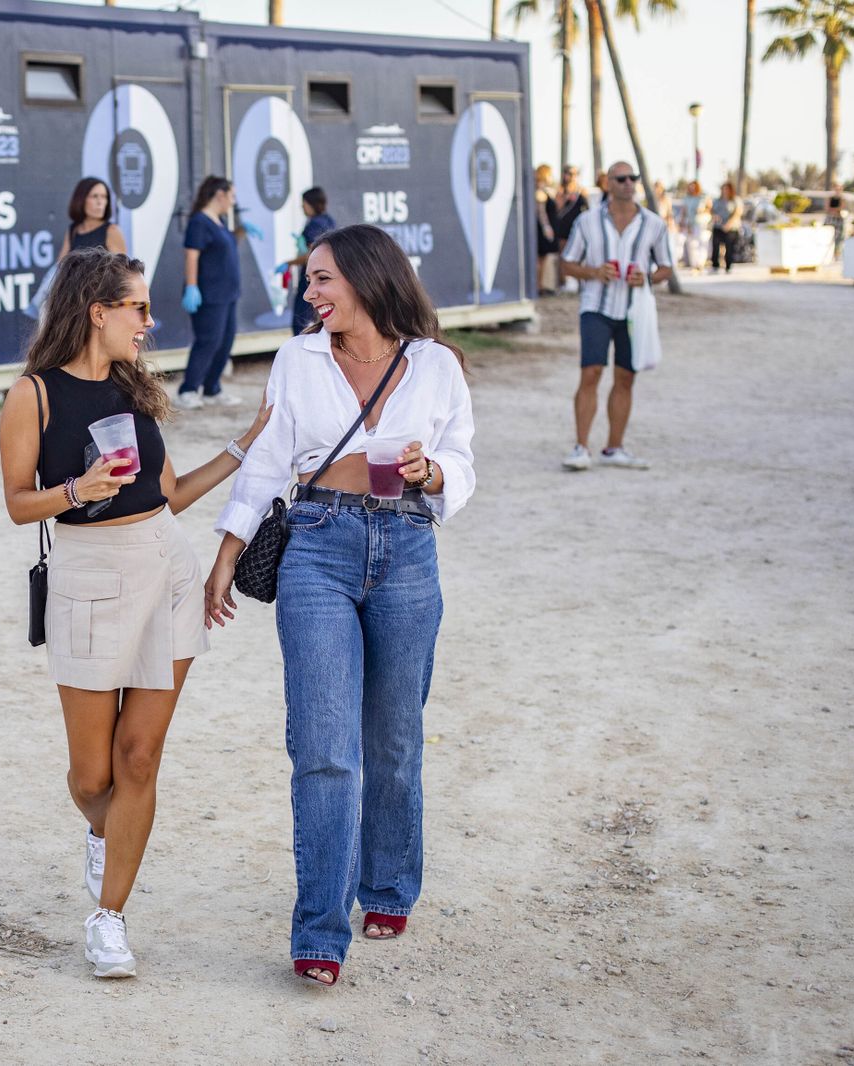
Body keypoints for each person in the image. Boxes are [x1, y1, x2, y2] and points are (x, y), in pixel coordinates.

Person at [203, 224, 475, 989]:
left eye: (323, 280)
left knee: (393, 738)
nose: (311, 294)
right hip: (316, 545)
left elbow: (463, 460)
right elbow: (265, 463)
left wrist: (430, 472)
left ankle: (387, 884)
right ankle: (320, 927)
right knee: (325, 745)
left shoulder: (435, 366)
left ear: (366, 278)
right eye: (310, 282)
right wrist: (227, 553)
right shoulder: (297, 359)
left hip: (407, 548)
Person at [0, 248, 271, 979]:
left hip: (165, 566)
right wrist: (78, 489)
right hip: (87, 574)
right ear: (99, 310)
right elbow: (18, 502)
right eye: (139, 309)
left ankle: (109, 919)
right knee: (92, 778)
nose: (150, 322)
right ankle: (104, 831)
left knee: (139, 757)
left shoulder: (134, 387)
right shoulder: (34, 395)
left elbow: (170, 493)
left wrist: (247, 444)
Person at [558, 160, 674, 472]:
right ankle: (581, 447)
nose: (628, 183)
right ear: (607, 183)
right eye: (620, 178)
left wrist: (647, 276)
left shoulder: (653, 224)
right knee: (591, 373)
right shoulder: (587, 222)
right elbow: (567, 264)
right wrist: (594, 272)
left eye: (632, 178)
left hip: (634, 311)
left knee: (626, 377)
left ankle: (614, 448)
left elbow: (666, 267)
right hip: (596, 306)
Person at [179, 176, 257, 409]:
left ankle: (212, 388)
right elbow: (191, 255)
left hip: (228, 294)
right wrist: (192, 287)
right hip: (209, 294)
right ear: (219, 194)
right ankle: (188, 390)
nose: (233, 201)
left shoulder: (219, 220)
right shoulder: (199, 222)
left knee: (225, 342)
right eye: (231, 196)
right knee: (208, 341)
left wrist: (242, 231)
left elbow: (226, 246)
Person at [284, 186, 337, 333]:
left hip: (311, 279)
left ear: (311, 203)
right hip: (328, 277)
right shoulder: (329, 220)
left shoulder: (314, 224)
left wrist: (289, 263)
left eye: (304, 203)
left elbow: (312, 254)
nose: (302, 207)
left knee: (302, 321)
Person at [57, 178, 129, 259]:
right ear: (81, 199)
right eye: (94, 196)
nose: (100, 202)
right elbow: (61, 265)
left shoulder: (112, 230)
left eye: (104, 197)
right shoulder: (73, 230)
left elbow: (122, 268)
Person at [551, 167, 590, 291]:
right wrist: (566, 196)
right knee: (563, 256)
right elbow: (557, 208)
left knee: (578, 257)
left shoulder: (581, 191)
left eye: (573, 174)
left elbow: (588, 209)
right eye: (568, 174)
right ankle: (563, 282)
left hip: (577, 228)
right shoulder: (561, 191)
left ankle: (580, 283)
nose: (570, 176)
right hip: (563, 228)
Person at [533, 164, 557, 294]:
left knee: (543, 259)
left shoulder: (543, 190)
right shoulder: (540, 192)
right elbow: (541, 213)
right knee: (541, 259)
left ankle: (541, 285)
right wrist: (546, 227)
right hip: (542, 230)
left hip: (543, 228)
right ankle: (539, 286)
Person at [709, 181, 743, 273]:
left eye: (726, 189)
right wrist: (714, 216)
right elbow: (712, 210)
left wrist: (729, 224)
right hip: (718, 226)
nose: (725, 191)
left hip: (731, 228)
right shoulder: (717, 200)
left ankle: (728, 266)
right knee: (715, 245)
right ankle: (715, 265)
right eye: (723, 189)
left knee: (729, 247)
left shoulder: (735, 200)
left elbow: (737, 213)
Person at [678, 180, 711, 271]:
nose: (692, 189)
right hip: (690, 223)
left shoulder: (702, 197)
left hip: (701, 223)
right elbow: (684, 211)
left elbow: (709, 208)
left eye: (693, 187)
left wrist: (703, 211)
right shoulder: (686, 198)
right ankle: (694, 264)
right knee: (692, 244)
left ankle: (700, 263)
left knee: (702, 243)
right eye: (690, 187)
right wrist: (682, 221)